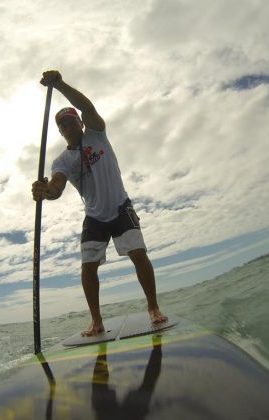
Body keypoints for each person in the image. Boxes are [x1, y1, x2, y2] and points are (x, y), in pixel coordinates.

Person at [32, 70, 168, 337]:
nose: (69, 128)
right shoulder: (61, 161)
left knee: (138, 254)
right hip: (94, 216)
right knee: (88, 267)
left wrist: (59, 85)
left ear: (80, 124)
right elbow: (57, 188)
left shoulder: (97, 133)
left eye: (72, 122)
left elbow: (86, 106)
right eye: (64, 126)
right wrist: (44, 191)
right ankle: (96, 321)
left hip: (120, 207)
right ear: (60, 132)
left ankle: (153, 308)